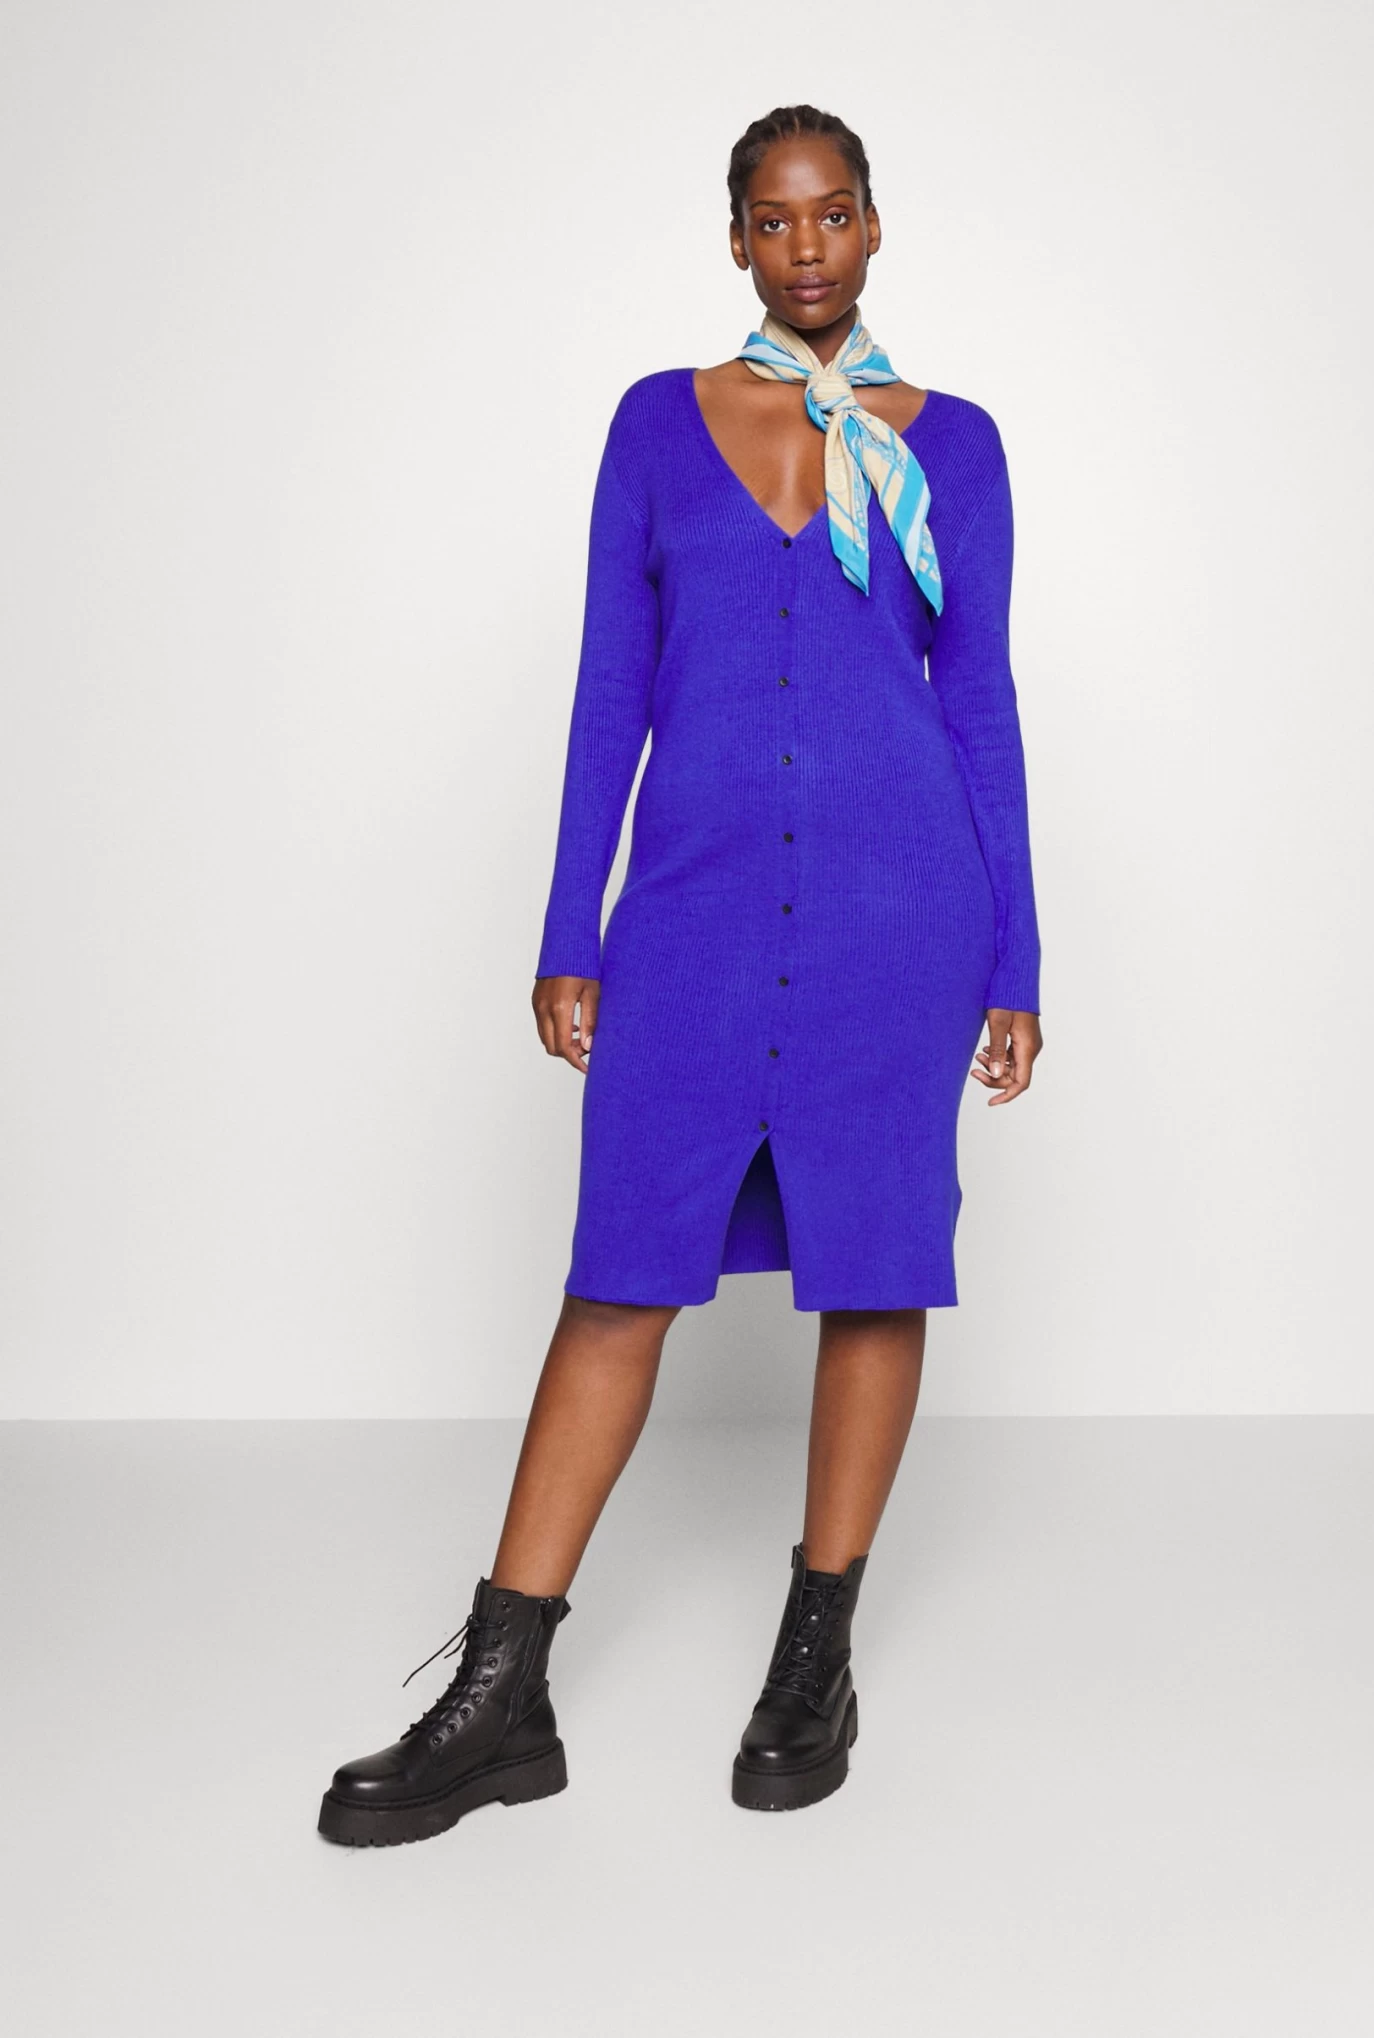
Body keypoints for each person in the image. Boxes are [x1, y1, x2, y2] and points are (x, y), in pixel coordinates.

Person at [316, 104, 1043, 1846]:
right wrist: (571, 925)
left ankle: (816, 1657)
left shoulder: (957, 446)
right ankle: (502, 1694)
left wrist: (1016, 949)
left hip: (898, 920)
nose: (808, 247)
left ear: (876, 227)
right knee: (620, 1276)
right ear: (735, 241)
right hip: (696, 917)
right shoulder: (656, 423)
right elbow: (607, 689)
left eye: (835, 213)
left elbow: (979, 701)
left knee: (876, 1267)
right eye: (774, 220)